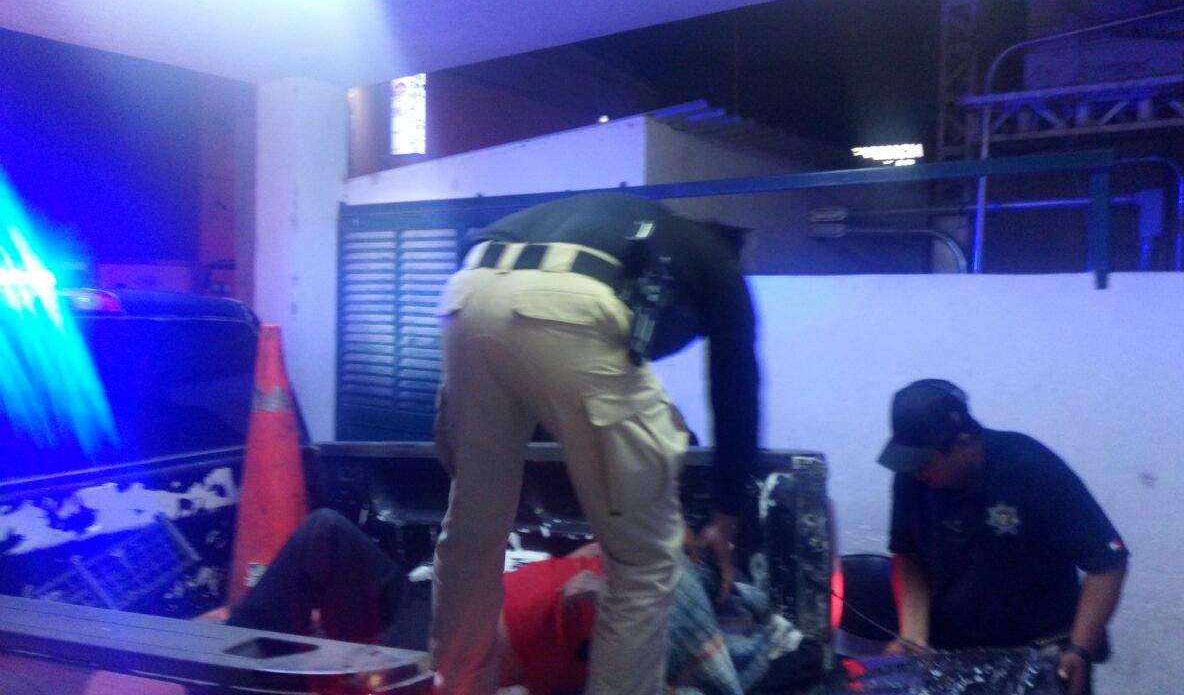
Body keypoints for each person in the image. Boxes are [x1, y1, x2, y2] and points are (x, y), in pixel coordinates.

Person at [430, 193, 759, 695]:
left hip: (467, 290)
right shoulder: (718, 260)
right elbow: (736, 389)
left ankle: (456, 686)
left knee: (473, 536)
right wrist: (727, 513)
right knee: (645, 563)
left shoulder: (624, 221)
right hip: (573, 301)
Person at [222, 509, 786, 695]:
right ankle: (222, 666)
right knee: (324, 531)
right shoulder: (615, 553)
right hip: (428, 598)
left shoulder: (665, 594)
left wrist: (612, 600)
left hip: (447, 649)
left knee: (359, 679)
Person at [877, 379, 1128, 695]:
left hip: (1042, 651)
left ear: (964, 441)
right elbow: (908, 556)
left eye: (925, 462)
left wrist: (1079, 650)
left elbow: (1108, 563)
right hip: (956, 652)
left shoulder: (1029, 466)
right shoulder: (912, 478)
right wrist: (913, 635)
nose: (918, 472)